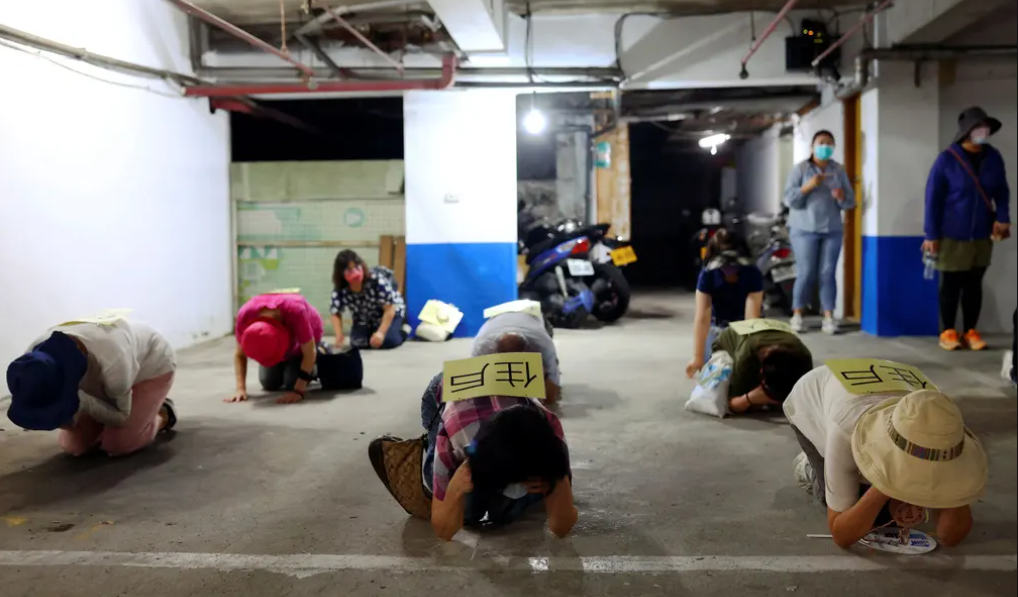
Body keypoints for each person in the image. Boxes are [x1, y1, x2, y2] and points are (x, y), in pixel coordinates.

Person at [372, 320, 576, 542]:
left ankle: (506, 495)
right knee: (469, 512)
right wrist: (455, 489)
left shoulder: (549, 438)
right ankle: (430, 470)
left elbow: (561, 528)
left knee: (505, 513)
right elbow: (444, 530)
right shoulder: (458, 440)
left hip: (500, 403)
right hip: (444, 393)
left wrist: (557, 483)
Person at [784, 366, 987, 548]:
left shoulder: (941, 423)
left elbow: (950, 537)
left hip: (885, 381)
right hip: (813, 401)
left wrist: (953, 489)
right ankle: (810, 467)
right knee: (874, 518)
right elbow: (842, 535)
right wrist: (885, 485)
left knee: (885, 507)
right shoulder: (845, 432)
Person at [5, 318, 177, 456]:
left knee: (120, 443)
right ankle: (123, 418)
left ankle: (162, 412)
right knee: (74, 446)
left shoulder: (113, 359)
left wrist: (87, 404)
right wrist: (64, 415)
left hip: (150, 367)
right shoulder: (30, 364)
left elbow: (120, 416)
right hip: (95, 378)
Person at [923, 106, 1012, 352]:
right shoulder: (947, 160)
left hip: (982, 233)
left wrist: (1003, 217)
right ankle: (948, 331)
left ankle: (970, 331)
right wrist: (931, 234)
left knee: (974, 284)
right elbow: (933, 199)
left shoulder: (993, 157)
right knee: (952, 284)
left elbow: (1002, 192)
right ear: (966, 131)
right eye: (978, 127)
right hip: (952, 233)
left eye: (986, 127)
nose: (983, 131)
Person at [783, 130, 856, 335]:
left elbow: (851, 202)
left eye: (829, 143)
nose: (825, 146)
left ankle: (829, 316)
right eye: (821, 142)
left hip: (832, 230)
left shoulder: (838, 171)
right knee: (806, 272)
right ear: (812, 147)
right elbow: (789, 200)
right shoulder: (801, 169)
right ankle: (797, 314)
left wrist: (841, 197)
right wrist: (806, 187)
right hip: (803, 229)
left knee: (827, 273)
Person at [686, 228, 764, 378]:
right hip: (717, 328)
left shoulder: (752, 273)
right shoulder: (708, 275)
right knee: (712, 376)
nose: (729, 269)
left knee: (746, 372)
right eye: (725, 265)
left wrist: (750, 353)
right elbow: (702, 318)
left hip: (744, 327)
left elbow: (752, 318)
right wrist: (697, 357)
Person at [229, 292, 323, 405]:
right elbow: (240, 355)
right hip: (277, 340)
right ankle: (287, 363)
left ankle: (320, 355)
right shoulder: (244, 316)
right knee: (269, 383)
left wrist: (298, 391)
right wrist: (240, 389)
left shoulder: (296, 311)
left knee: (292, 383)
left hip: (307, 338)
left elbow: (309, 353)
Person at [712, 323, 813, 414]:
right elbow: (732, 405)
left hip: (766, 331)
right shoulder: (745, 357)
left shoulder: (803, 356)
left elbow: (808, 396)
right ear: (761, 373)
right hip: (725, 340)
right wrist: (749, 398)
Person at [330, 250, 407, 350]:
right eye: (349, 270)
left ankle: (403, 332)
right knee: (358, 343)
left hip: (390, 313)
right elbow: (335, 312)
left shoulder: (376, 280)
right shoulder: (340, 288)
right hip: (364, 318)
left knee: (388, 341)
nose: (355, 273)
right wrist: (339, 335)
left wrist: (381, 333)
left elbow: (389, 308)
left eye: (357, 267)